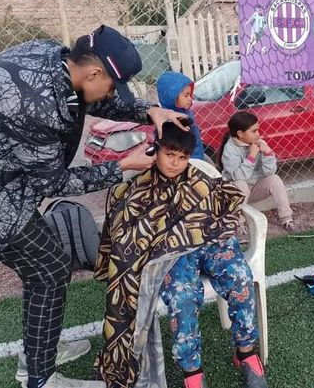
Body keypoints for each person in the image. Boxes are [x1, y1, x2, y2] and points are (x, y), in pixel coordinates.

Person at [0, 25, 187, 388]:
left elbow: (97, 99)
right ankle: (39, 377)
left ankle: (38, 351)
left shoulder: (57, 59)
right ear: (92, 72)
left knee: (44, 266)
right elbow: (52, 183)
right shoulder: (37, 105)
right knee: (50, 266)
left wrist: (148, 111)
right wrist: (122, 167)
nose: (111, 93)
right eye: (111, 84)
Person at [94, 122, 267, 388]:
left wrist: (210, 227)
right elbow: (127, 230)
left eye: (182, 157)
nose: (175, 163)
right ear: (156, 150)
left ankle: (246, 352)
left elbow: (221, 206)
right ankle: (192, 373)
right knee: (182, 295)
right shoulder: (141, 187)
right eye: (169, 155)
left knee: (241, 277)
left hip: (212, 244)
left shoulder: (199, 180)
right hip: (172, 255)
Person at [217, 111, 295, 231]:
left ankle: (287, 219)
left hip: (254, 188)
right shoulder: (230, 150)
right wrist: (252, 156)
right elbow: (239, 176)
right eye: (253, 131)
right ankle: (238, 223)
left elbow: (269, 172)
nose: (258, 134)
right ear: (240, 134)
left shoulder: (258, 143)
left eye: (258, 130)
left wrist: (268, 153)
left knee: (275, 179)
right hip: (235, 193)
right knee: (241, 184)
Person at [157, 71, 208, 161]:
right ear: (172, 96)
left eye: (190, 95)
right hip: (188, 159)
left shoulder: (185, 112)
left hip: (196, 154)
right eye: (186, 95)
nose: (190, 98)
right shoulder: (176, 119)